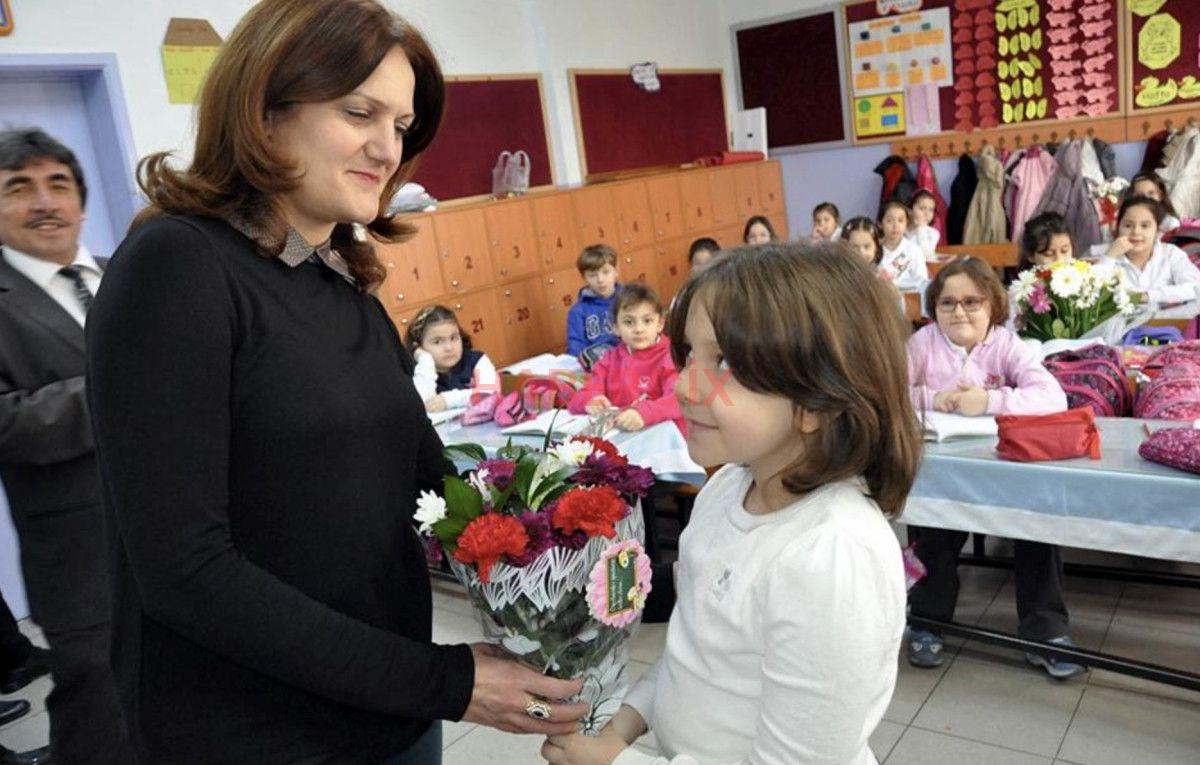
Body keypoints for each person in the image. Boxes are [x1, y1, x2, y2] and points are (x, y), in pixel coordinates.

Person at [85, 1, 585, 761]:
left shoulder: (345, 291)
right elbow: (186, 571)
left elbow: (429, 483)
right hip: (253, 733)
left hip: (388, 710)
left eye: (402, 126)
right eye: (359, 112)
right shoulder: (178, 268)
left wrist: (564, 535)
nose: (387, 148)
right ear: (264, 108)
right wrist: (448, 682)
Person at [543, 242, 920, 765]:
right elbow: (693, 654)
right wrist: (619, 730)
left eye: (724, 362)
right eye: (688, 355)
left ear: (817, 402)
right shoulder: (726, 489)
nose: (685, 386)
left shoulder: (830, 555)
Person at [0, 127, 131, 764]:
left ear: (80, 201)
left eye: (58, 184)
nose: (44, 202)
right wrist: (114, 390)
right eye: (18, 188)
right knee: (100, 711)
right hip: (80, 558)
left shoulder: (126, 275)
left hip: (185, 535)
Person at [905, 257, 1081, 679]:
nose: (959, 312)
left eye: (972, 302)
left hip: (1005, 469)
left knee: (1035, 524)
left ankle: (1046, 631)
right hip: (945, 470)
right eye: (947, 303)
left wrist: (989, 401)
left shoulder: (1006, 343)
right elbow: (890, 392)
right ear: (934, 308)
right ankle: (928, 619)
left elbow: (1052, 397)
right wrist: (932, 398)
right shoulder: (922, 343)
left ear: (992, 305)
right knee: (931, 525)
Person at [567, 284, 682, 434]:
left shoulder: (671, 356)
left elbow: (679, 399)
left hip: (663, 436)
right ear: (615, 327)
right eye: (629, 322)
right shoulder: (609, 359)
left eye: (647, 321)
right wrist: (590, 400)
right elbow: (579, 398)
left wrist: (644, 413)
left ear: (660, 324)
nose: (638, 329)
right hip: (623, 436)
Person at [1102, 195, 1200, 304]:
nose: (1136, 231)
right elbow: (1092, 294)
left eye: (1145, 226)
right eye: (1128, 225)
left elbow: (1195, 288)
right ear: (1118, 228)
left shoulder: (1171, 254)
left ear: (1157, 231)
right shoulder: (1110, 258)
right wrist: (1109, 256)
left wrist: (1146, 296)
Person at [406, 304, 498, 412]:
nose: (449, 347)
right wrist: (425, 360)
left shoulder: (476, 360)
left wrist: (449, 400)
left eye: (454, 338)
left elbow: (491, 392)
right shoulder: (418, 372)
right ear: (418, 347)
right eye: (437, 342)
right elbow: (421, 406)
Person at [567, 243, 622, 368]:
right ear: (584, 278)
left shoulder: (631, 300)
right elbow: (575, 348)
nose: (600, 280)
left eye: (606, 272)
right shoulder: (577, 312)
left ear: (616, 271)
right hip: (597, 366)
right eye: (592, 275)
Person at [878, 200, 929, 290]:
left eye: (900, 220)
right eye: (889, 221)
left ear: (906, 224)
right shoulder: (874, 249)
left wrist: (894, 283)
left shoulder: (914, 251)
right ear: (880, 224)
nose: (895, 225)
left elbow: (922, 282)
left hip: (908, 296)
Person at [906, 190, 941, 260]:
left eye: (931, 210)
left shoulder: (933, 233)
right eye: (922, 208)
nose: (927, 214)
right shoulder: (902, 231)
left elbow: (926, 255)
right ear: (910, 210)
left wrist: (921, 229)